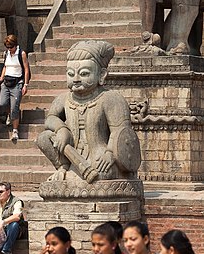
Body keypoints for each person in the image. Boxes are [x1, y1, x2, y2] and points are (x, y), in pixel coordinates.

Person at [36, 40, 141, 182]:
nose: (76, 79)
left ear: (101, 75)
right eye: (71, 74)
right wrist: (61, 129)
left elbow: (121, 133)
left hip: (100, 157)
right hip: (72, 156)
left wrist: (110, 154)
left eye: (84, 74)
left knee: (102, 174)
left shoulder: (110, 98)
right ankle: (63, 168)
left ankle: (71, 176)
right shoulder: (64, 99)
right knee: (44, 137)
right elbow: (50, 118)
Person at [0, 34, 30, 142]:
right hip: (6, 82)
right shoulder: (6, 54)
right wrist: (1, 79)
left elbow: (26, 69)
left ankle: (15, 131)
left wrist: (25, 85)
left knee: (15, 107)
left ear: (15, 45)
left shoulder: (21, 54)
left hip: (17, 83)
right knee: (2, 103)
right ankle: (9, 114)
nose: (10, 49)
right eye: (8, 47)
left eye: (11, 47)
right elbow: (5, 67)